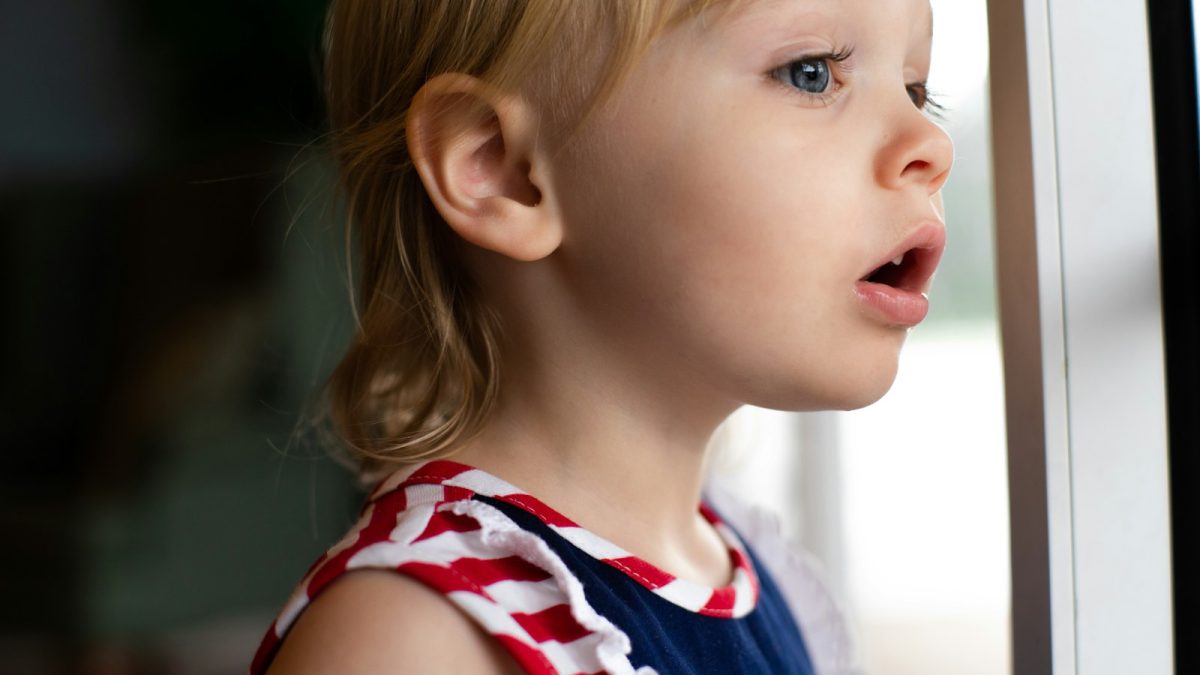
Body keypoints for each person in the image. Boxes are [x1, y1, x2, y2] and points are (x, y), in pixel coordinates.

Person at [251, 0, 952, 672]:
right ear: (504, 170)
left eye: (917, 90)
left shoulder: (763, 579)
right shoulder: (417, 637)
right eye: (811, 71)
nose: (932, 145)